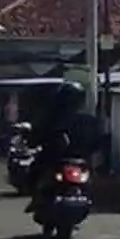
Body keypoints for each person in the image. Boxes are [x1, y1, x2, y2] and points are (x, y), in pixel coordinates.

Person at [24, 82, 100, 213]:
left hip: (57, 159)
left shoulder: (52, 117)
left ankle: (35, 199)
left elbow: (36, 135)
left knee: (34, 171)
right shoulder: (87, 119)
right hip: (76, 161)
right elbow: (97, 141)